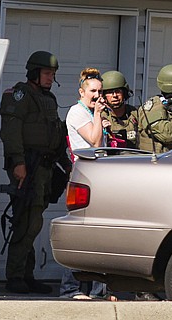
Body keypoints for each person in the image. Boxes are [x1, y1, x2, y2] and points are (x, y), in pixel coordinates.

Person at [0, 50, 69, 294]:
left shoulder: (46, 98)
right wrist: (18, 162)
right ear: (34, 73)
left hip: (44, 168)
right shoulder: (20, 95)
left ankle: (25, 275)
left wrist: (65, 163)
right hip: (28, 166)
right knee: (26, 222)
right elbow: (10, 131)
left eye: (53, 74)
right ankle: (15, 276)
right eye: (48, 73)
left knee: (32, 222)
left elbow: (54, 132)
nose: (51, 78)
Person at [60, 68, 115, 301]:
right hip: (83, 176)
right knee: (80, 230)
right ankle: (71, 288)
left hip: (99, 175)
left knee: (99, 233)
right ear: (81, 92)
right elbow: (93, 140)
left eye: (100, 91)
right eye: (93, 91)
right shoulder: (77, 113)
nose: (98, 96)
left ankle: (98, 290)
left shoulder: (95, 113)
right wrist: (99, 117)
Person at [100, 70, 139, 149]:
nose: (115, 95)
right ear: (104, 96)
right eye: (110, 92)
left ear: (124, 93)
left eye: (118, 91)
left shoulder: (135, 114)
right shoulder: (100, 117)